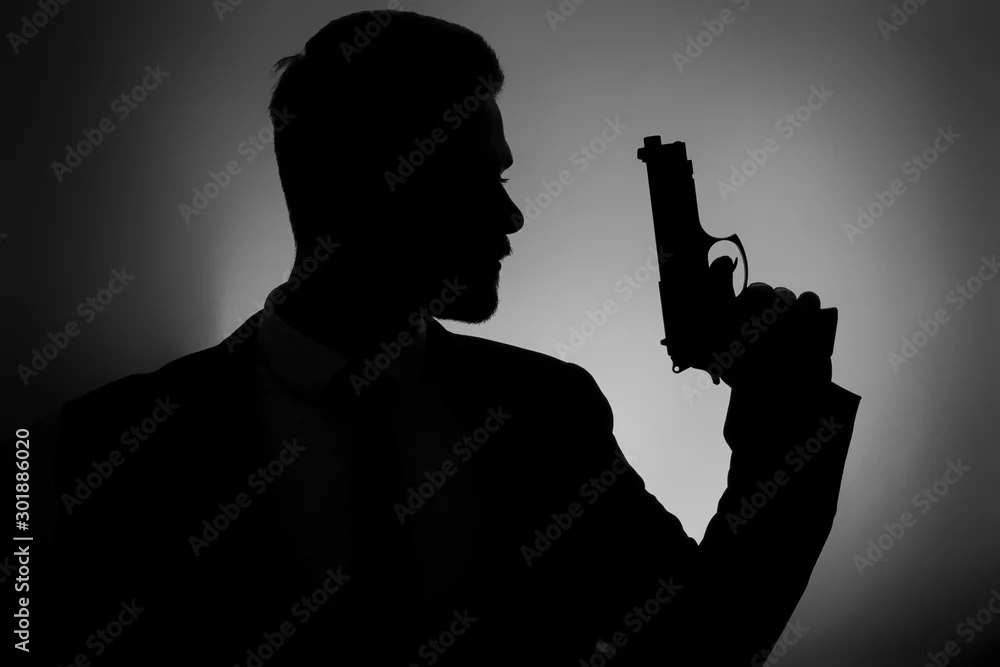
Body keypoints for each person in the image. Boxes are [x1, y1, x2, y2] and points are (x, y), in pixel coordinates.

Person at [18, 10, 860, 666]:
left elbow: (700, 643)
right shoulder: (92, 448)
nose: (513, 214)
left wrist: (784, 422)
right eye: (476, 177)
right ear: (361, 184)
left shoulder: (548, 413)